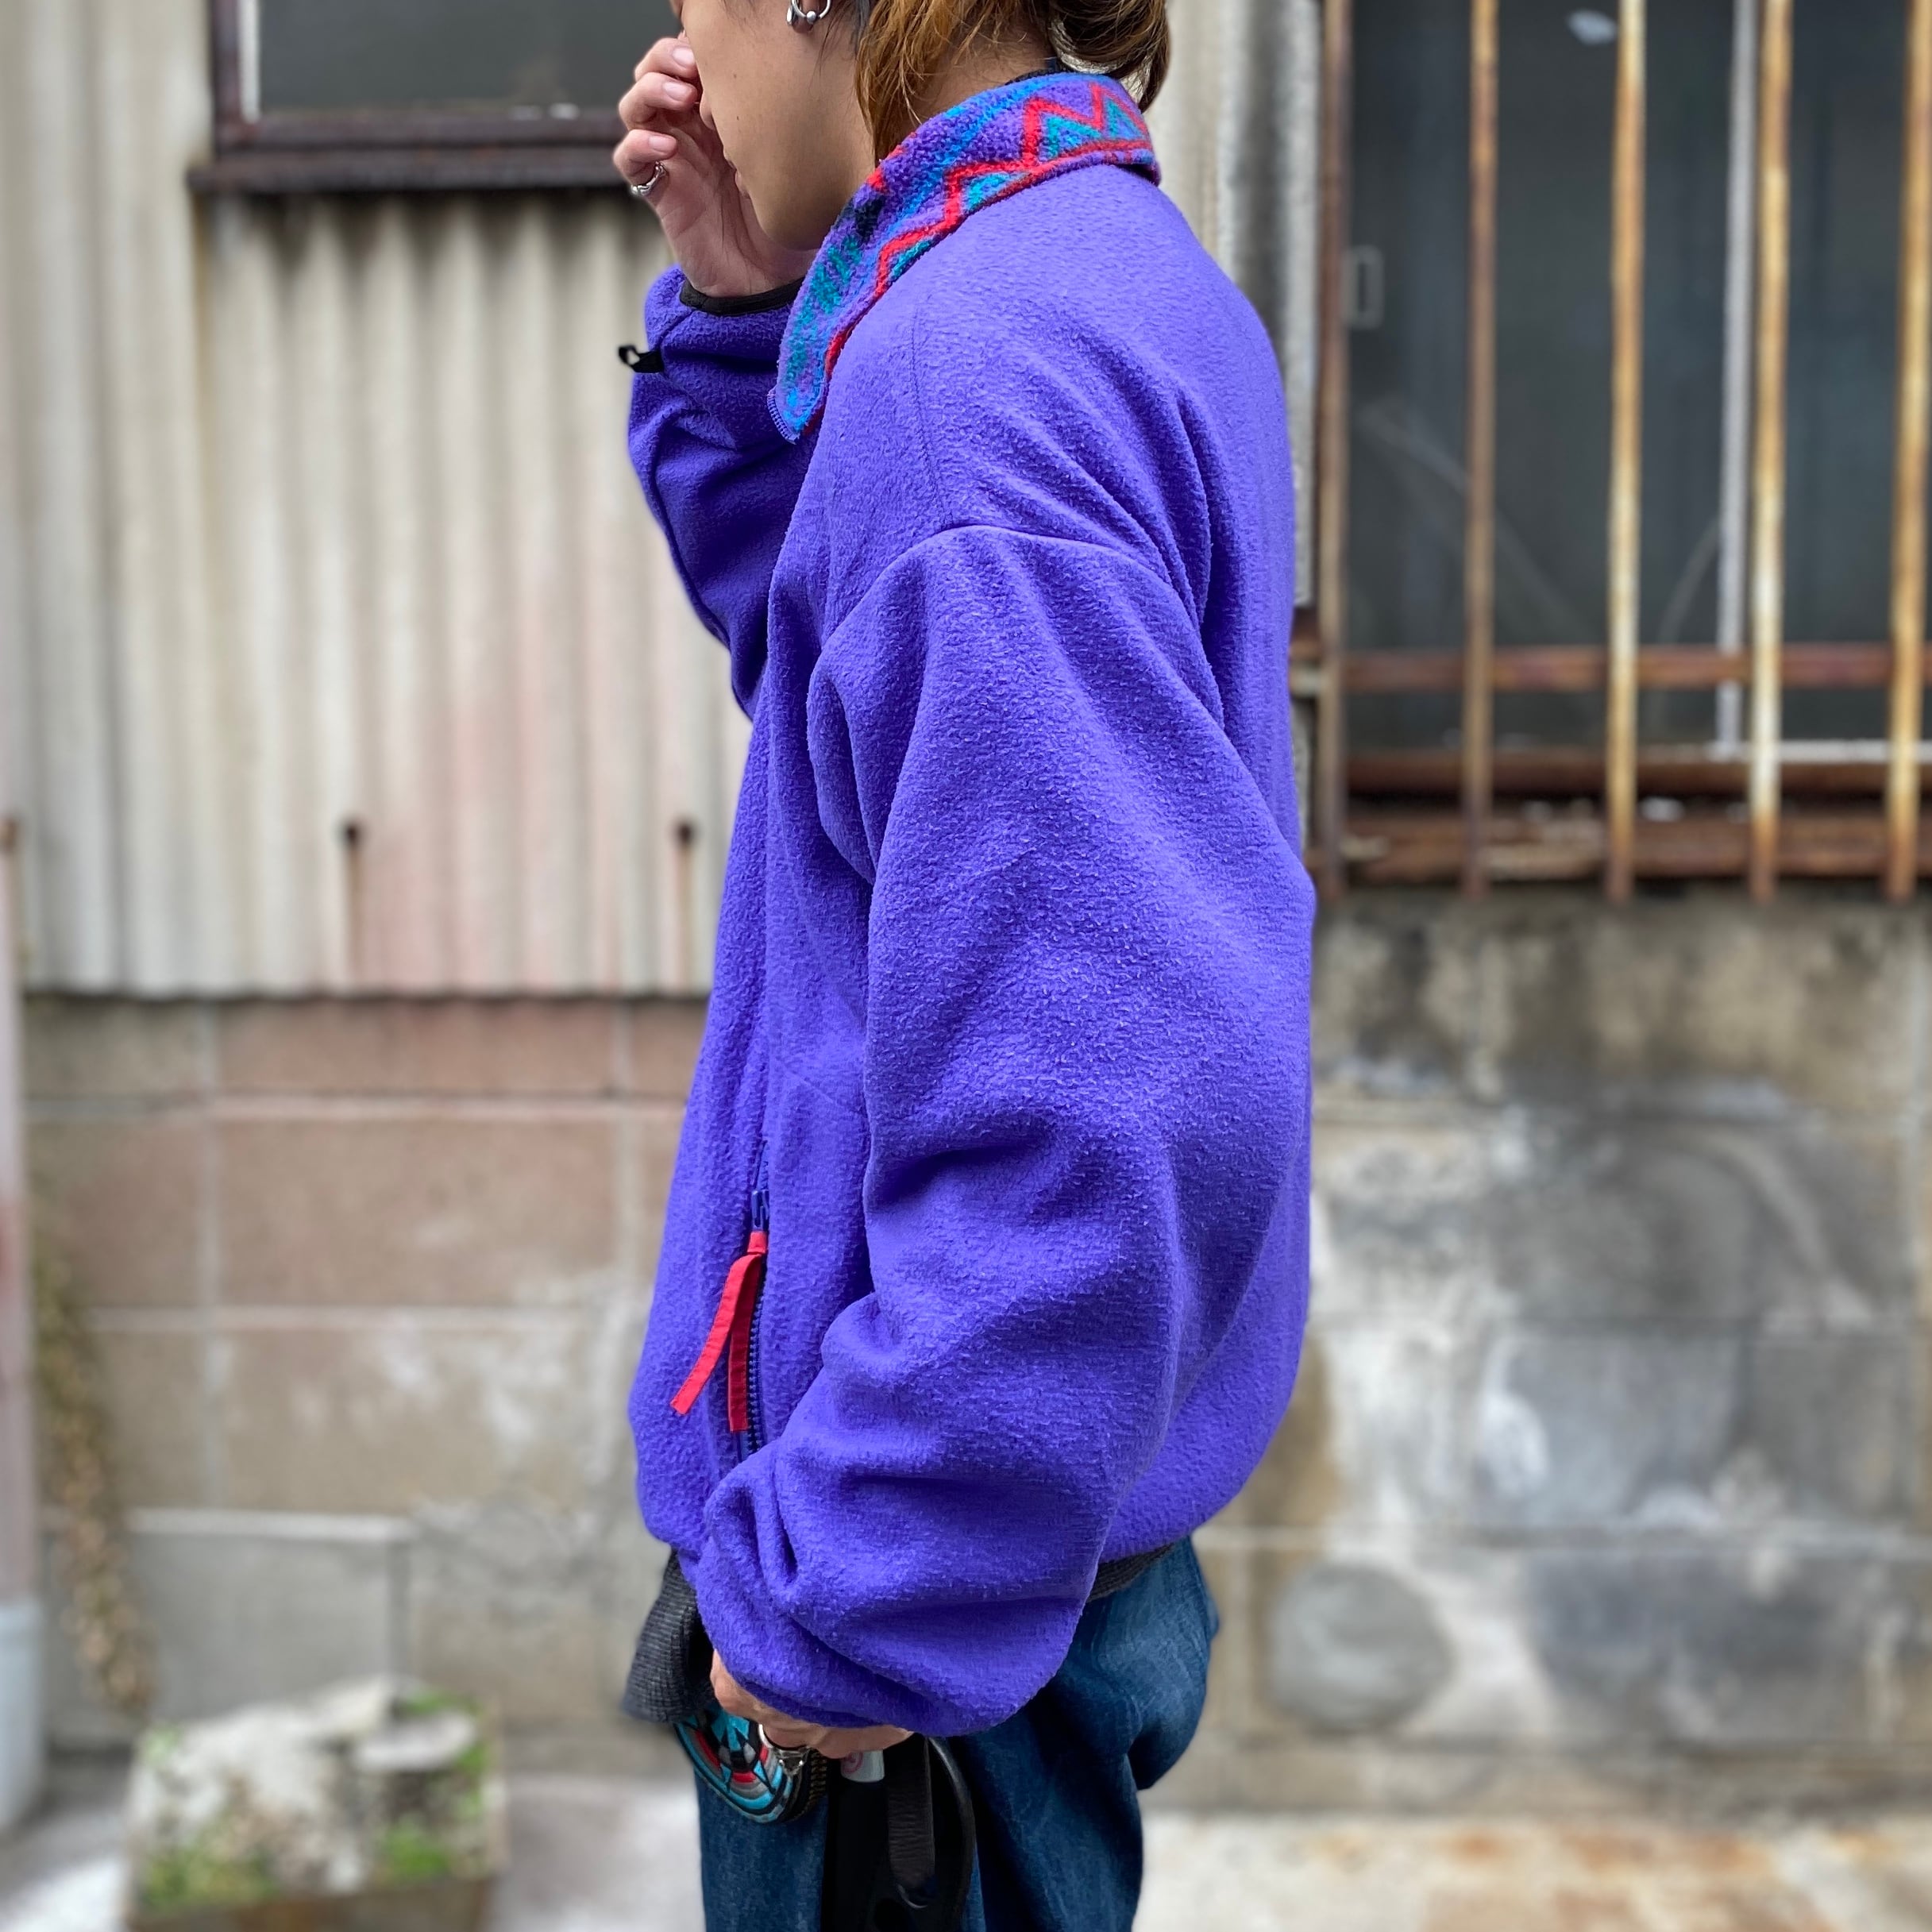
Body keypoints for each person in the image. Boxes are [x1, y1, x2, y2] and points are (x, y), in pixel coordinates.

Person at [611, 0, 1313, 1919]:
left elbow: (1117, 1098)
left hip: (918, 1672)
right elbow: (844, 673)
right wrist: (756, 312)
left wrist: (857, 1592)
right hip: (1020, 1570)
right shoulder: (1096, 272)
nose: (677, 43)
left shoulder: (968, 376)